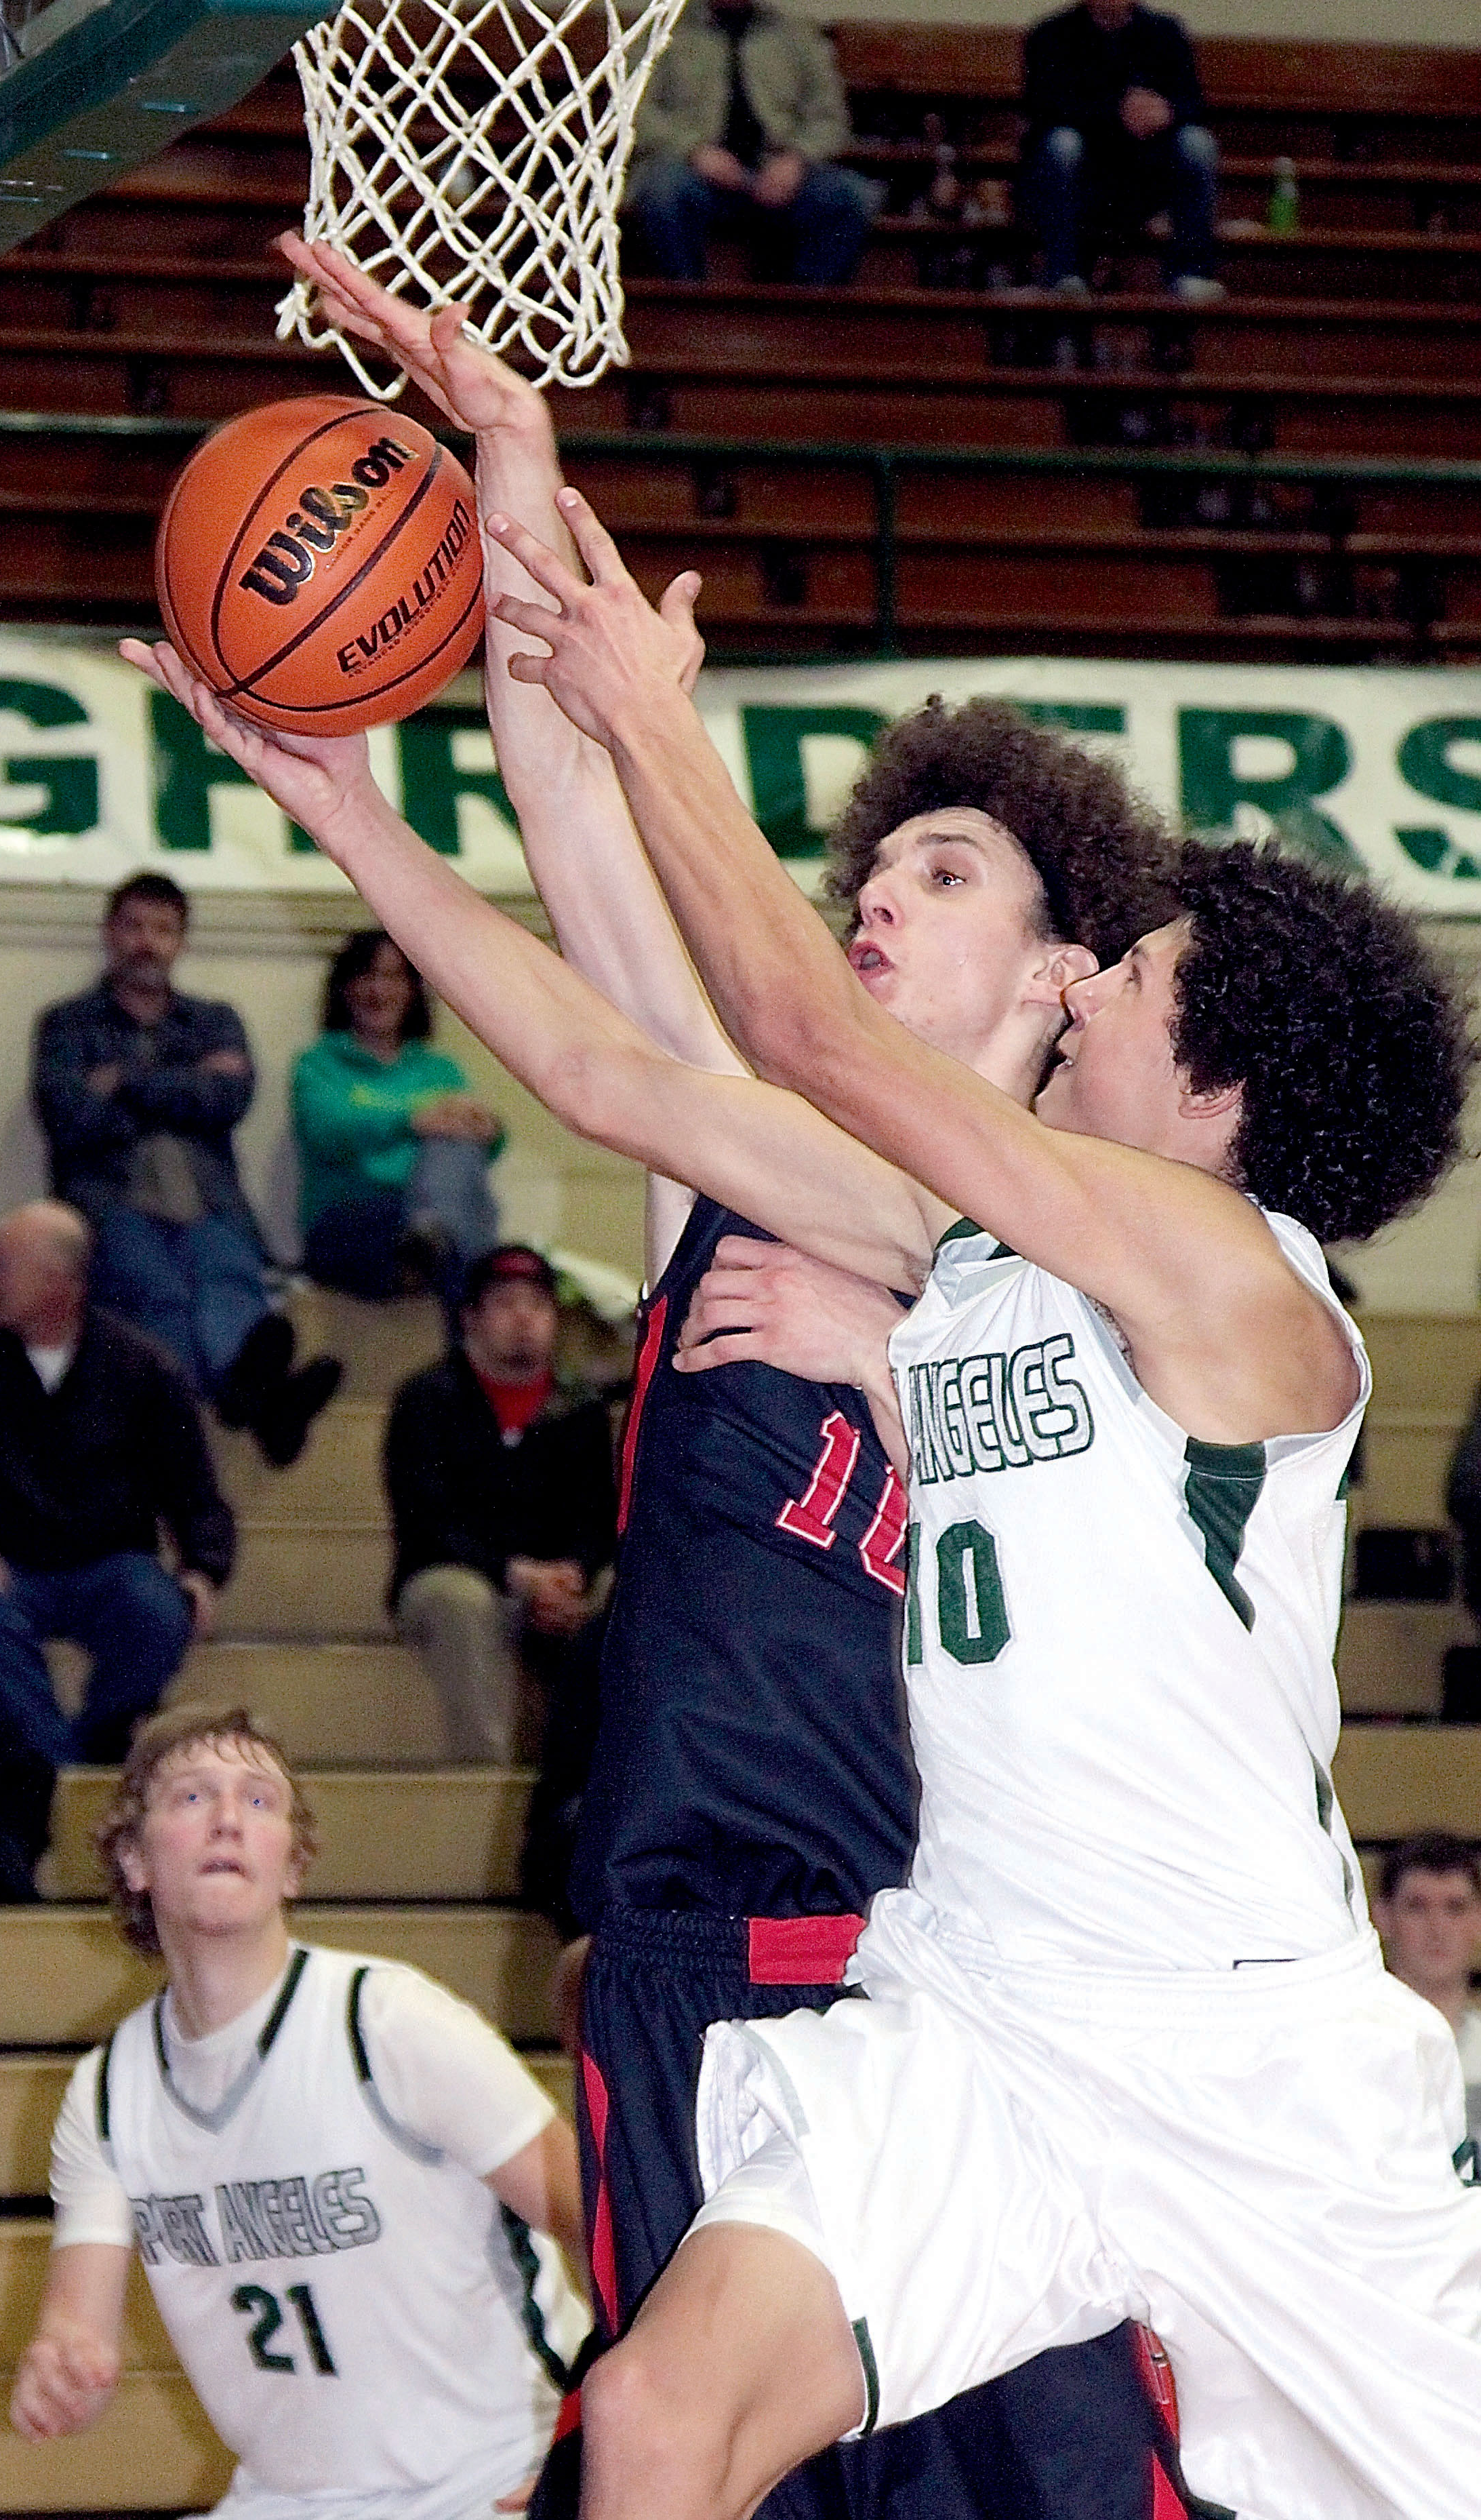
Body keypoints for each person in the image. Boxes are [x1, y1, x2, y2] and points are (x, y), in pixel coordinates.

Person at [256, 243, 1197, 2520]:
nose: (873, 888)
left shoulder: (1129, 1264)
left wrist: (909, 1377)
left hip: (973, 1982)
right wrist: (508, 471)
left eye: (936, 864)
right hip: (696, 1968)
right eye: (864, 859)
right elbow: (577, 833)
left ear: (1062, 967)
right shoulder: (729, 1175)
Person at [457, 483, 1481, 2518]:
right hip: (979, 2013)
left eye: (1135, 978)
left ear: (1218, 1086)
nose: (1090, 990)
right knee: (656, 2423)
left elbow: (792, 1031)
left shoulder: (1238, 1279)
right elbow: (658, 1074)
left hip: (1247, 2064)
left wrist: (663, 720)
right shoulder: (982, 1269)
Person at [9, 1702, 590, 2520]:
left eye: (258, 1800)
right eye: (190, 1797)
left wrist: (591, 2446)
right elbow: (78, 2326)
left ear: (291, 1867)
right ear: (134, 1860)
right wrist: (61, 2366)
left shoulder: (385, 2021)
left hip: (492, 2479)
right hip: (290, 2498)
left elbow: (600, 2222)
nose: (226, 1819)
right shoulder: (107, 2095)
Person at [0, 1201, 235, 1901]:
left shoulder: (143, 1367)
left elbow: (193, 1487)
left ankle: (80, 1750)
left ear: (60, 1282)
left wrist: (203, 1569)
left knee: (157, 1607)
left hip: (111, 1565)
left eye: (0, 1264)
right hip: (7, 1563)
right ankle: (73, 1774)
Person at [33, 869, 340, 1466]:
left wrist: (123, 1081)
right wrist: (184, 1085)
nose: (146, 941)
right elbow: (71, 1119)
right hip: (112, 1204)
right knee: (162, 1296)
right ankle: (263, 1404)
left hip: (211, 1201)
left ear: (181, 941)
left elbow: (228, 1101)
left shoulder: (215, 1020)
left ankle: (246, 1389)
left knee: (229, 1284)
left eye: (163, 929)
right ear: (109, 933)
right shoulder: (67, 1025)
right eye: (134, 926)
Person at [385, 1247, 617, 1767]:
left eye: (537, 1304)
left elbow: (599, 1519)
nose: (524, 1319)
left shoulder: (580, 1408)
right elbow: (426, 1523)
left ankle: (599, 1778)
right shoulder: (425, 1400)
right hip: (456, 1575)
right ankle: (479, 1775)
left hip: (556, 1580)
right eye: (506, 1303)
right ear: (471, 1317)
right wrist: (516, 1575)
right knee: (462, 1600)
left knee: (620, 1597)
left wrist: (572, 1573)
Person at [293, 928, 503, 1311]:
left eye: (392, 977)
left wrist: (488, 1130)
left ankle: (433, 1237)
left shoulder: (439, 1070)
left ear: (413, 990)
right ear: (345, 987)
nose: (379, 991)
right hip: (349, 1219)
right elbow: (328, 1133)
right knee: (458, 1238)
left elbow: (477, 1154)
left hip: (432, 1217)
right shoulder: (318, 1065)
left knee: (461, 1174)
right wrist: (412, 1120)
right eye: (367, 975)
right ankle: (437, 1244)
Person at [626, 0, 877, 286]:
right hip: (695, 176)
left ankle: (802, 316)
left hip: (783, 177)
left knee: (848, 196)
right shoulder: (663, 31)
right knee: (663, 191)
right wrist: (694, 151)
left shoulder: (796, 34)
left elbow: (831, 118)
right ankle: (691, 308)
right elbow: (636, 111)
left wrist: (796, 159)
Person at [1021, 0, 1223, 303]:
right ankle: (1064, 274)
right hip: (1085, 180)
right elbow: (1043, 111)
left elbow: (1193, 104)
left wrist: (1164, 112)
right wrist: (1118, 114)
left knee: (1198, 144)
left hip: (1147, 178)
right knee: (1061, 145)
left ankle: (1191, 273)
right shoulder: (1050, 35)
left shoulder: (1166, 32)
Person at [1375, 1833, 1481, 2146]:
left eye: (1455, 1908)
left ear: (1478, 1919)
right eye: (1417, 1907)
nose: (1438, 1929)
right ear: (1382, 1917)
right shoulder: (1348, 2048)